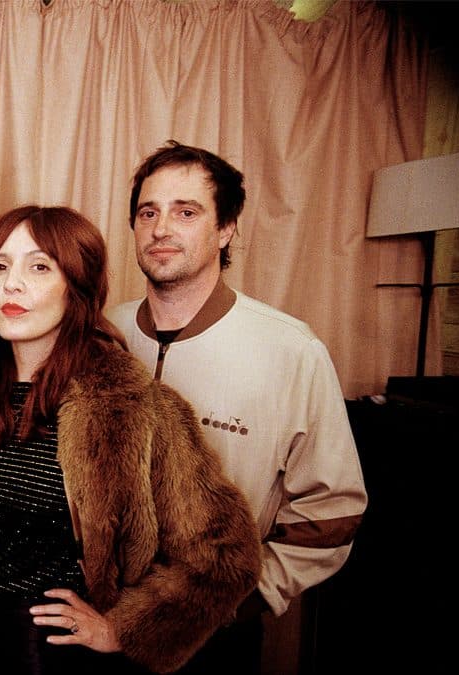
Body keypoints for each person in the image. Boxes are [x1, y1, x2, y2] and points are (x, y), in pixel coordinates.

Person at [0, 205, 262, 675]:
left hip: (53, 657)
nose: (12, 284)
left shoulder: (134, 409)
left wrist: (122, 630)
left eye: (38, 267)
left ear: (77, 287)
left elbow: (226, 556)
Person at [107, 141, 368, 674]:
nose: (161, 228)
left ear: (226, 229)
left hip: (212, 638)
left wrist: (235, 601)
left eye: (186, 212)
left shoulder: (291, 350)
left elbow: (333, 513)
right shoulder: (102, 333)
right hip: (99, 621)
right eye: (148, 213)